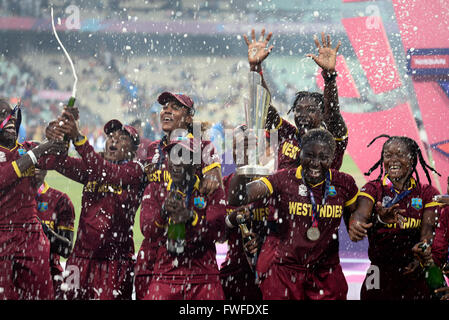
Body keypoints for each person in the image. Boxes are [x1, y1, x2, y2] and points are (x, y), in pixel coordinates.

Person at [228, 128, 359, 300]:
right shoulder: (282, 180)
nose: (315, 163)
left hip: (325, 272)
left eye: (323, 158)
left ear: (332, 157)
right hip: (286, 271)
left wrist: (357, 221)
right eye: (309, 155)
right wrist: (241, 165)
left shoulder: (344, 183)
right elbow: (238, 198)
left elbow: (357, 214)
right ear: (300, 153)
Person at [46, 108, 147, 300]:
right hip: (79, 260)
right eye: (111, 136)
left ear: (134, 150)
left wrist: (78, 138)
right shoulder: (93, 168)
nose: (114, 140)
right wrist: (60, 138)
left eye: (122, 138)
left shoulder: (135, 171)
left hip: (115, 263)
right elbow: (56, 162)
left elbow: (106, 172)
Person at [135, 91, 222, 299]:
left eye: (175, 107)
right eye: (164, 107)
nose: (166, 111)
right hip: (154, 245)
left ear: (189, 117)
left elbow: (215, 188)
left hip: (190, 243)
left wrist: (210, 176)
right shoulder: (153, 149)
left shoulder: (202, 147)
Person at [349, 135, 442, 300]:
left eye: (400, 154)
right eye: (388, 155)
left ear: (412, 159)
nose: (393, 160)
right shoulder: (373, 188)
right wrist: (360, 223)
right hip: (379, 271)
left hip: (414, 270)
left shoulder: (427, 193)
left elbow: (428, 232)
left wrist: (421, 255)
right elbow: (360, 215)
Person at [243, 28, 347, 170]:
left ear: (322, 114)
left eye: (310, 110)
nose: (302, 114)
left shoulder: (331, 138)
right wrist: (255, 67)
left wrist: (329, 76)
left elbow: (333, 114)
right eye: (298, 109)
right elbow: (263, 108)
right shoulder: (287, 134)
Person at [0, 98, 68, 300]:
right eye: (2, 115)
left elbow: (60, 152)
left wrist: (59, 135)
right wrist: (38, 151)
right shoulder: (32, 151)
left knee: (41, 296)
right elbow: (4, 178)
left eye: (11, 115)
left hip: (31, 235)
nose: (10, 119)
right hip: (1, 234)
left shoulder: (27, 147)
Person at [32, 163, 75, 300]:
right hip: (14, 275)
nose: (36, 166)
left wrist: (43, 230)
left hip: (50, 277)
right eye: (31, 161)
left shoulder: (60, 200)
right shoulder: (10, 198)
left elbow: (66, 250)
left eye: (40, 161)